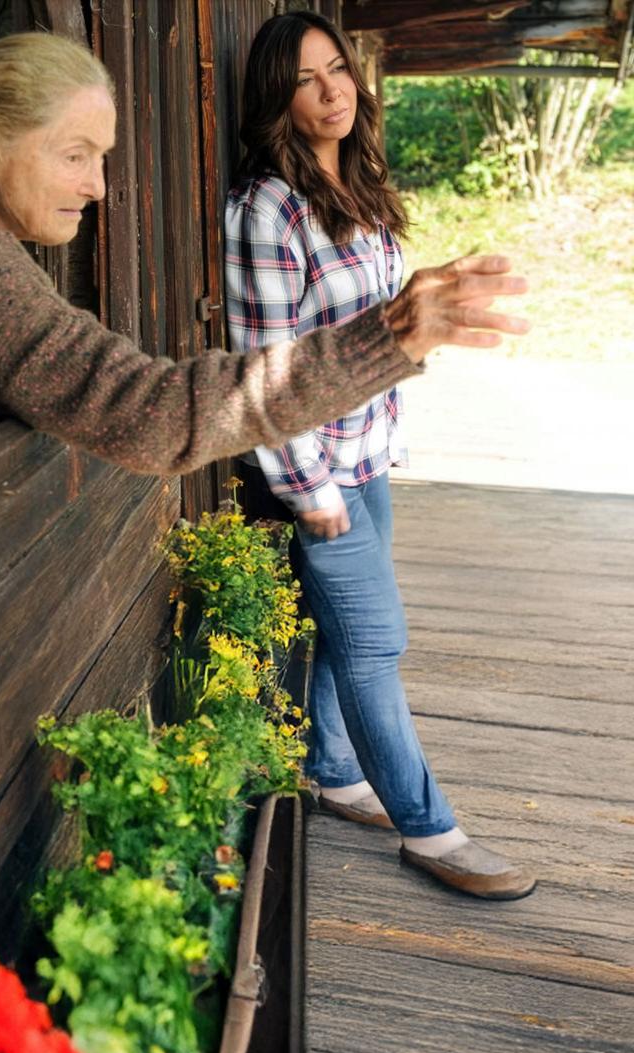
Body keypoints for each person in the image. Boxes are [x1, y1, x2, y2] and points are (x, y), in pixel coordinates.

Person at [0, 31, 528, 480]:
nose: (98, 188)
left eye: (101, 158)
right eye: (75, 155)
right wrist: (387, 337)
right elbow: (151, 414)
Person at [223, 12, 532, 899]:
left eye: (339, 69)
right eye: (308, 79)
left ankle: (331, 768)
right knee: (372, 642)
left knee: (340, 637)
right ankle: (431, 831)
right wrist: (308, 490)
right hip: (315, 470)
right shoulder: (266, 211)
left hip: (366, 452)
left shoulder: (356, 186)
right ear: (278, 101)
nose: (334, 90)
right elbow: (265, 371)